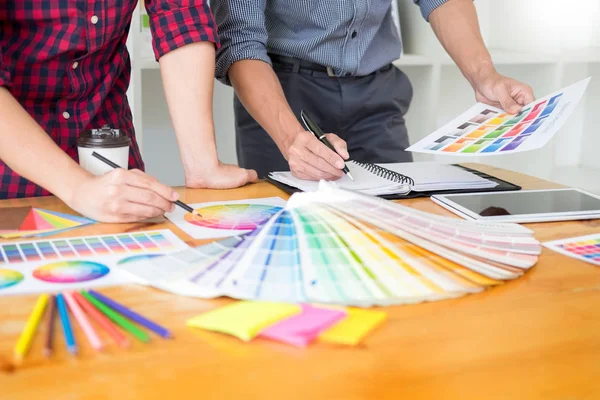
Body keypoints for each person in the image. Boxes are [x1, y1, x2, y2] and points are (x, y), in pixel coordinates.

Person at [212, 0, 535, 180]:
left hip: (377, 91)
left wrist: (484, 75)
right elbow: (240, 43)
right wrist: (289, 137)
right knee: (288, 222)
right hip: (285, 93)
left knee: (397, 213)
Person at [0, 1, 257, 222]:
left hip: (109, 150)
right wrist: (79, 187)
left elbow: (180, 17)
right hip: (10, 173)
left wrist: (202, 164)